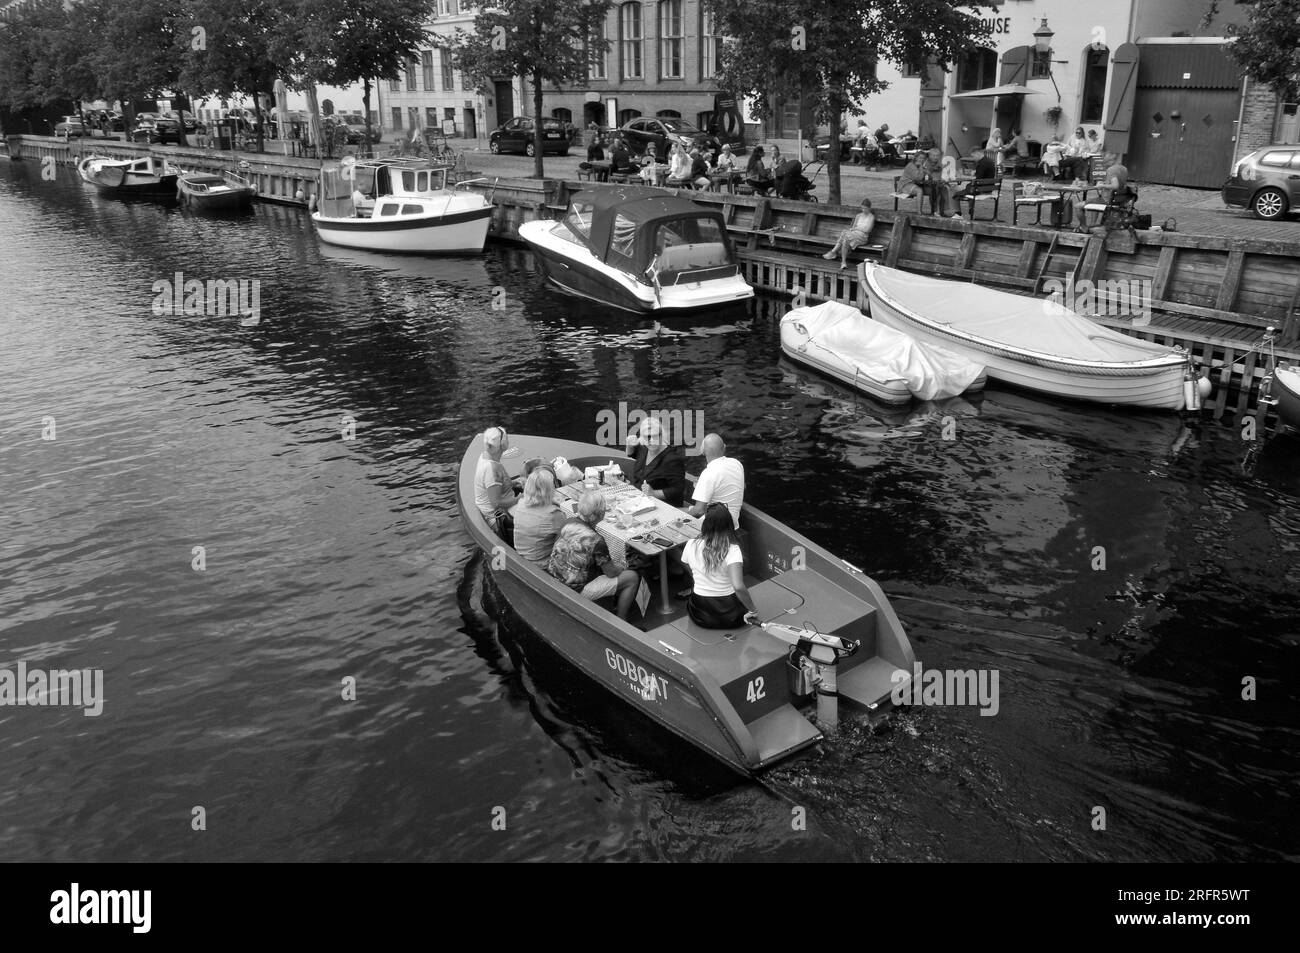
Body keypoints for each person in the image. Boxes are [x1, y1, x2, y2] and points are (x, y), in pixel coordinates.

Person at [547, 490, 641, 620]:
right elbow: (611, 573)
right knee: (632, 577)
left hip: (554, 576)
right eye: (602, 511)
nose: (604, 512)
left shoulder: (568, 522)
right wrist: (624, 565)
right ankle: (622, 621)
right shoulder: (596, 541)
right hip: (575, 589)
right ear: (596, 515)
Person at [681, 503, 760, 629]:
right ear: (729, 525)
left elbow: (685, 562)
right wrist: (753, 610)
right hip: (730, 616)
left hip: (699, 613)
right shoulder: (733, 550)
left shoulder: (691, 544)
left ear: (705, 523)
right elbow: (738, 586)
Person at [510, 466, 566, 567]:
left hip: (522, 555)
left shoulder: (521, 504)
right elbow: (565, 538)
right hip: (543, 563)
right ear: (549, 489)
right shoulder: (553, 514)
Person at [624, 417, 687, 505]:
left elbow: (678, 490)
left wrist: (654, 493)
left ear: (661, 435)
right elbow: (631, 454)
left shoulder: (672, 459)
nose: (652, 441)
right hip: (640, 499)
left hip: (663, 505)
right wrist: (629, 445)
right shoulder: (644, 448)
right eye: (647, 437)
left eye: (655, 436)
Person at [687, 433, 745, 529]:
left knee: (676, 513)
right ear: (724, 448)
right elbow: (739, 485)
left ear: (703, 451)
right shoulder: (737, 463)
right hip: (733, 525)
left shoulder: (708, 473)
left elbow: (699, 511)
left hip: (714, 528)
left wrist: (679, 517)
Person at [474, 426, 519, 537]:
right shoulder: (492, 469)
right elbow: (496, 503)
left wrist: (513, 483)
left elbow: (494, 485)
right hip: (498, 517)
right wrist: (519, 499)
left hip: (501, 506)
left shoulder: (485, 456)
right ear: (502, 445)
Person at [1075, 154, 1130, 231]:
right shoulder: (1124, 168)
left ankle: (1083, 227)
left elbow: (1115, 185)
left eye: (1105, 162)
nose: (1103, 164)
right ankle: (1092, 225)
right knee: (1095, 200)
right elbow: (1120, 183)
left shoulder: (1111, 170)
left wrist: (1103, 186)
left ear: (1111, 160)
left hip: (1107, 200)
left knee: (1078, 206)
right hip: (1119, 200)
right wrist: (1105, 183)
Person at [822, 198, 876, 269]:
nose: (863, 210)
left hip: (863, 237)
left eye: (865, 208)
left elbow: (867, 230)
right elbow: (853, 227)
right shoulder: (858, 215)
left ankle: (833, 252)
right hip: (853, 234)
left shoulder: (871, 217)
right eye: (862, 208)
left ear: (869, 208)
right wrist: (855, 229)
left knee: (844, 233)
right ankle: (843, 263)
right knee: (845, 240)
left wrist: (856, 228)